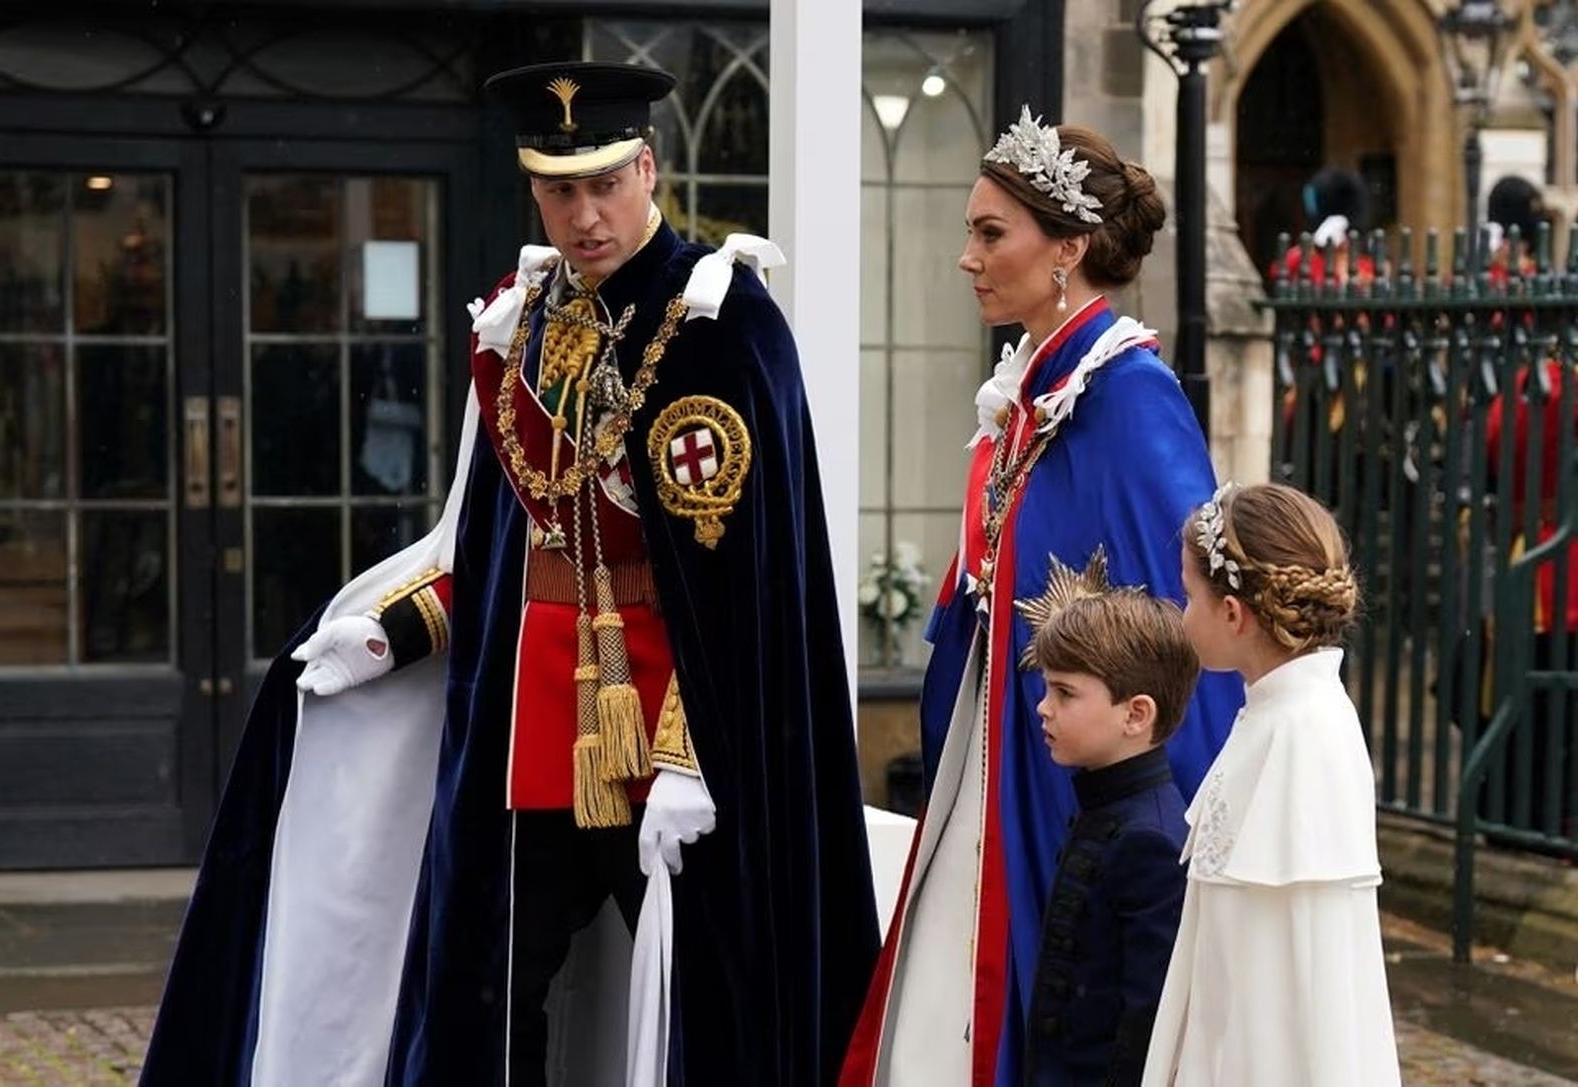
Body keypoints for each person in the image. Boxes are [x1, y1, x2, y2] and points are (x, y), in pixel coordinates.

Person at [141, 60, 880, 1086]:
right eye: (559, 189)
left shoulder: (720, 325)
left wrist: (691, 753)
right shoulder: (524, 323)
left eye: (606, 183)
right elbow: (500, 544)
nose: (585, 215)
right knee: (487, 990)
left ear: (649, 166)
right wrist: (393, 633)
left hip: (679, 725)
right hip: (534, 724)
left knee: (715, 988)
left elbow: (748, 591)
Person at [840, 110, 1241, 1086]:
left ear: (1066, 248)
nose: (966, 258)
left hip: (1066, 791)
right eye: (971, 232)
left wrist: (1180, 831)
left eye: (990, 234)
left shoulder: (1126, 393)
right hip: (995, 769)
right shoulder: (1029, 391)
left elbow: (1193, 629)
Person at [1143, 482, 1401, 1086]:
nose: (1182, 615)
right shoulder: (1273, 716)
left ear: (1233, 615)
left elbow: (1301, 981)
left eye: (1188, 596)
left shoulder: (1301, 736)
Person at [1019, 552, 1196, 1085]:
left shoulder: (1150, 841)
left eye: (1065, 693)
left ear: (1136, 714)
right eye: (1048, 688)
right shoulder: (1103, 808)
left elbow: (1143, 1025)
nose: (1042, 708)